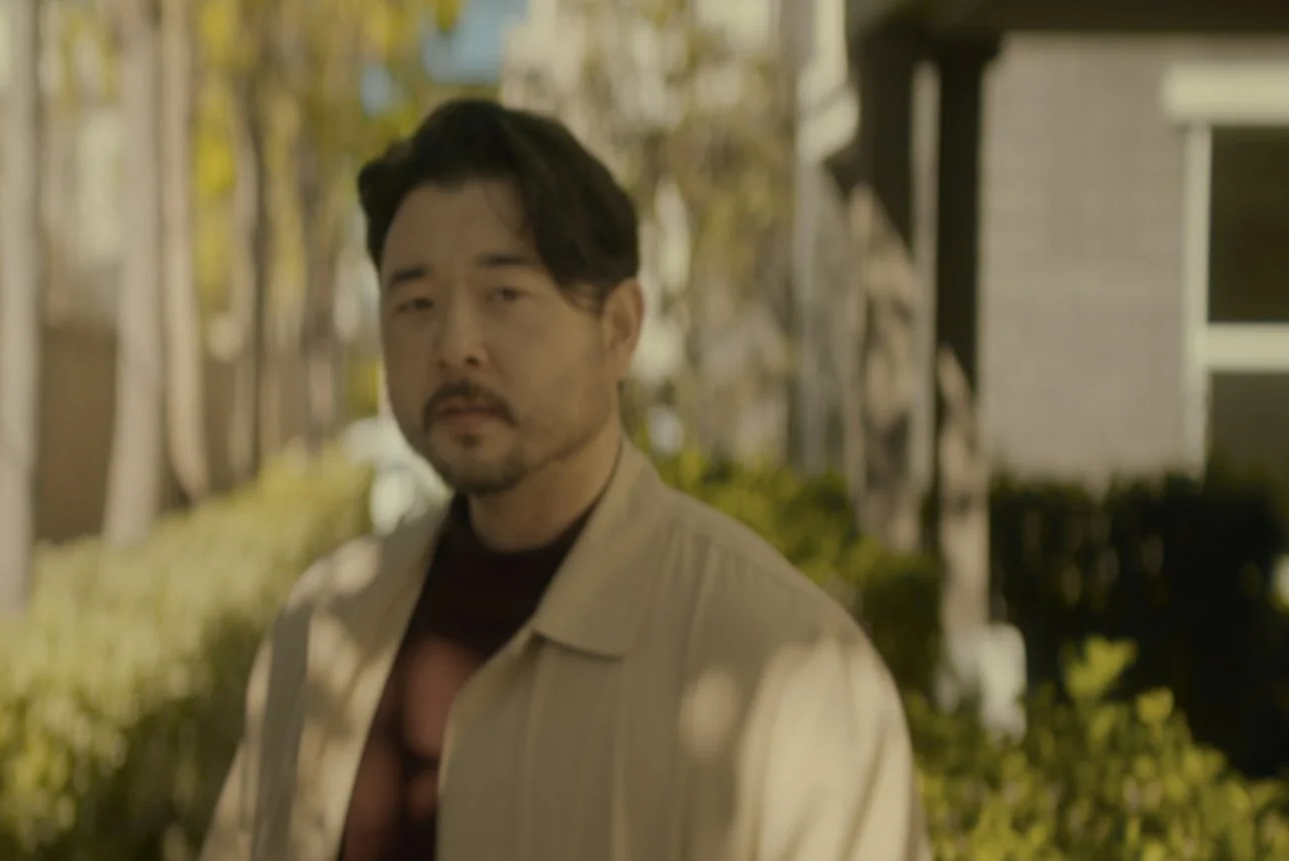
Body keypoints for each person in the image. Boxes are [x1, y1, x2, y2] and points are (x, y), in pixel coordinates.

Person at [200, 98, 931, 861]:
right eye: (415, 302)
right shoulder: (324, 625)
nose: (455, 346)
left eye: (503, 295)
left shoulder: (795, 666)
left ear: (618, 329)